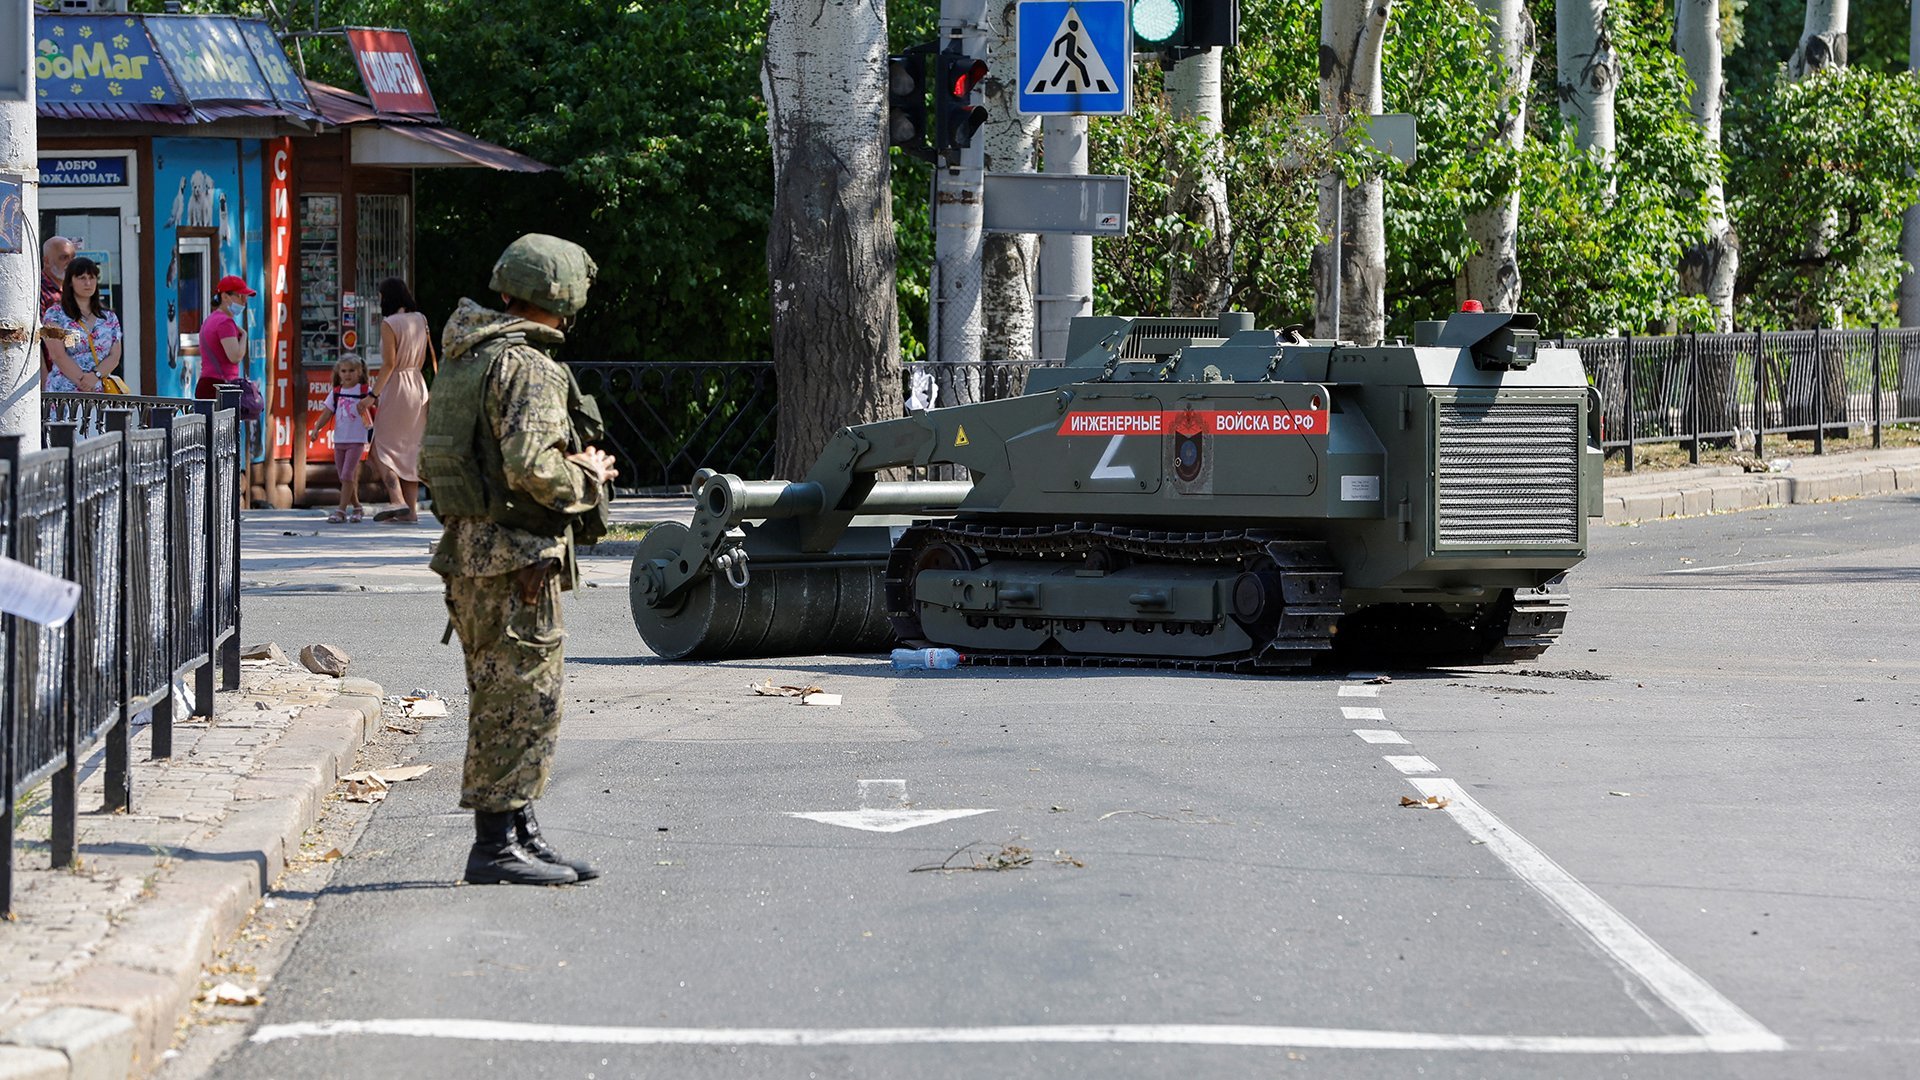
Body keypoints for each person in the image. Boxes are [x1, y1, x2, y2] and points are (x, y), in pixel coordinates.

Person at [419, 234, 616, 887]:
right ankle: (495, 847)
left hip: (473, 554)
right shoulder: (525, 365)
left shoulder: (469, 353)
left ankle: (519, 832)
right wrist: (588, 476)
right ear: (561, 294)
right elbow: (531, 466)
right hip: (516, 561)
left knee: (511, 699)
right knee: (521, 700)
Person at [369, 278, 432, 523]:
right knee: (410, 448)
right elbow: (424, 357)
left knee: (379, 449)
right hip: (417, 385)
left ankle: (396, 499)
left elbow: (389, 364)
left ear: (387, 297)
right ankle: (412, 512)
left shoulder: (389, 323)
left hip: (396, 387)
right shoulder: (421, 319)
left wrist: (372, 395)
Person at [307, 355, 376, 524]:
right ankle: (358, 507)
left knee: (347, 474)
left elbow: (376, 406)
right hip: (339, 440)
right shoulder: (336, 392)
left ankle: (341, 511)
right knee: (344, 477)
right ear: (338, 373)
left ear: (360, 372)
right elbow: (326, 413)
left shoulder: (365, 391)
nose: (347, 374)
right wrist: (316, 428)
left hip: (357, 440)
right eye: (344, 371)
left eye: (352, 371)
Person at [43, 257, 123, 394]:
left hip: (100, 391)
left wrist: (95, 376)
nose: (88, 283)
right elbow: (57, 354)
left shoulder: (109, 317)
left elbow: (115, 356)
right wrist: (83, 381)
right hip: (64, 390)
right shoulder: (53, 314)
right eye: (81, 278)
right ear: (70, 282)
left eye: (92, 278)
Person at [197, 274, 254, 400]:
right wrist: (244, 336)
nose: (244, 301)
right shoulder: (225, 322)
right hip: (220, 388)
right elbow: (235, 356)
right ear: (225, 297)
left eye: (245, 297)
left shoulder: (210, 319)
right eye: (240, 296)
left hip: (207, 385)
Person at [39, 236, 76, 386]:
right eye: (63, 258)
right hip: (52, 381)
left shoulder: (73, 291)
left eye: (73, 258)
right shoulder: (38, 291)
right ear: (46, 261)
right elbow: (39, 337)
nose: (71, 263)